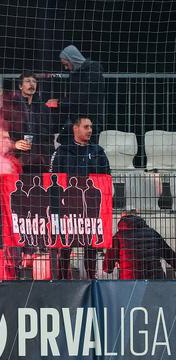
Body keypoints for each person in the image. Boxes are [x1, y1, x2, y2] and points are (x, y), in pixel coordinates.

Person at [50, 115, 110, 280]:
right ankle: (63, 279)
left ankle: (91, 279)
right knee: (65, 244)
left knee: (90, 245)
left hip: (90, 206)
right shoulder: (62, 151)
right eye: (86, 127)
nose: (90, 130)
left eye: (91, 127)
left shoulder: (98, 151)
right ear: (75, 128)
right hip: (68, 206)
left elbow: (107, 177)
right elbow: (53, 177)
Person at [48, 45, 105, 144]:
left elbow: (81, 96)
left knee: (88, 148)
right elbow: (74, 97)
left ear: (72, 59)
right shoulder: (75, 74)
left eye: (66, 64)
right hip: (77, 118)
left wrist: (59, 102)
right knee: (66, 142)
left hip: (91, 118)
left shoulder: (93, 71)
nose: (66, 68)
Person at [0, 71, 54, 174]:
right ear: (20, 86)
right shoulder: (10, 107)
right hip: (17, 160)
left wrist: (48, 158)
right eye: (28, 81)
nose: (32, 84)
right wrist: (14, 144)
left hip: (41, 162)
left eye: (34, 82)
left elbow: (49, 137)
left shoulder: (44, 109)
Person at [104, 210, 176, 279]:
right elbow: (170, 255)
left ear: (121, 220)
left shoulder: (118, 237)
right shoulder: (153, 233)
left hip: (130, 283)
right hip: (156, 280)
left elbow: (107, 268)